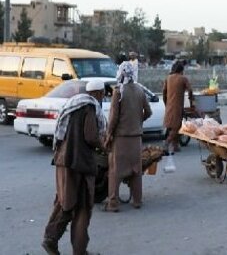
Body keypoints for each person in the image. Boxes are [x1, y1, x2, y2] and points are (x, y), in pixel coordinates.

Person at [42, 80, 107, 255]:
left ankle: (50, 239)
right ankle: (78, 249)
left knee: (64, 202)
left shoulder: (72, 105)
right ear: (99, 93)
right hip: (80, 163)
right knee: (82, 207)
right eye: (102, 94)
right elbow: (91, 136)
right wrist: (105, 148)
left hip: (63, 160)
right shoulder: (89, 108)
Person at [103, 61, 152, 212]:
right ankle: (137, 201)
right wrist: (138, 122)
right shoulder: (139, 90)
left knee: (115, 171)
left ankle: (113, 203)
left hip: (121, 139)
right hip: (136, 138)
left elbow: (113, 119)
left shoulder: (119, 91)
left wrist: (108, 136)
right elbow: (148, 112)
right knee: (136, 171)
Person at [163, 61, 194, 152]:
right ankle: (167, 142)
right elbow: (190, 90)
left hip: (169, 105)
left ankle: (175, 145)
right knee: (177, 126)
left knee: (172, 125)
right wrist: (191, 100)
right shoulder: (183, 78)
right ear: (181, 70)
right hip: (177, 106)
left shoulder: (168, 78)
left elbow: (164, 92)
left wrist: (166, 103)